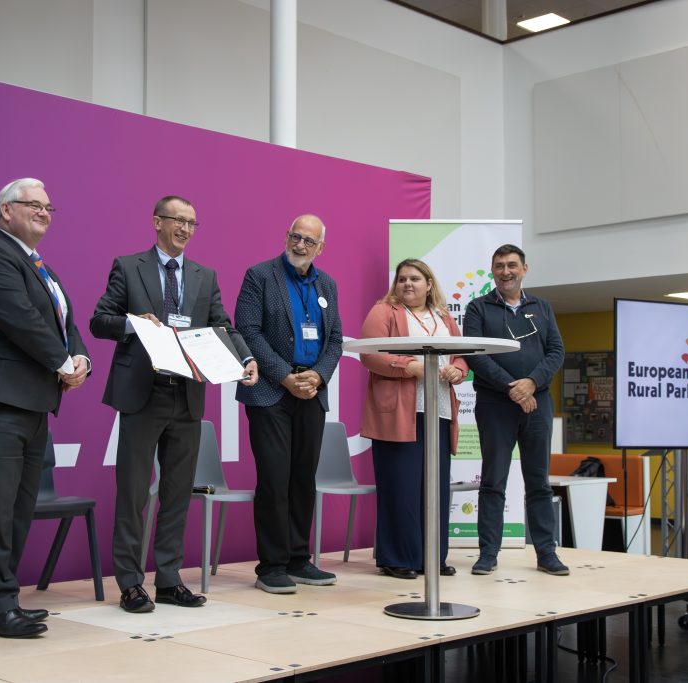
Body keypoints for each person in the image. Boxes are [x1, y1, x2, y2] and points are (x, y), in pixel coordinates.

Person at [90, 195, 258, 613]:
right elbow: (99, 320)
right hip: (141, 393)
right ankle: (130, 582)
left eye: (192, 223)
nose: (184, 229)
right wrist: (134, 322)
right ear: (156, 222)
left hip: (186, 393)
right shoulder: (129, 267)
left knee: (177, 493)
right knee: (133, 494)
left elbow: (222, 325)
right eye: (177, 220)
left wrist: (246, 359)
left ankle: (167, 579)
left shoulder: (205, 275)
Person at [0, 178, 90, 638]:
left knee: (16, 508)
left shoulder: (39, 265)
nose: (45, 212)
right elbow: (21, 320)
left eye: (49, 207)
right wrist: (63, 362)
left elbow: (63, 318)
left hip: (30, 402)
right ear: (5, 211)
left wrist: (80, 356)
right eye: (34, 205)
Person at [235, 215, 343, 594]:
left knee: (302, 478)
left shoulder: (326, 283)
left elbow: (336, 340)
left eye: (309, 241)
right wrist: (285, 376)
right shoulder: (259, 276)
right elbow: (247, 331)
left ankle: (298, 558)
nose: (300, 245)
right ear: (286, 236)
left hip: (311, 390)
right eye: (295, 237)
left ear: (320, 247)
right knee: (275, 479)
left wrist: (318, 376)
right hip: (270, 391)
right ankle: (272, 566)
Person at [359, 259, 468, 580]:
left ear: (429, 284)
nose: (407, 283)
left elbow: (460, 353)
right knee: (401, 488)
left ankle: (432, 557)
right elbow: (370, 354)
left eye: (415, 278)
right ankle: (398, 559)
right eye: (402, 278)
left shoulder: (444, 316)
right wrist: (409, 366)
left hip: (439, 412)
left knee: (435, 490)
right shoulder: (384, 312)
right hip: (398, 415)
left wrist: (458, 370)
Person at [463, 244, 568, 576]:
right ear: (491, 271)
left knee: (538, 481)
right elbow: (476, 356)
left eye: (511, 265)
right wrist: (513, 388)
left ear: (525, 268)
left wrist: (530, 383)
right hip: (495, 405)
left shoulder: (542, 307)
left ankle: (546, 554)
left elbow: (556, 351)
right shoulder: (478, 308)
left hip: (537, 403)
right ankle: (488, 554)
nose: (505, 271)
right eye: (499, 266)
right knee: (494, 480)